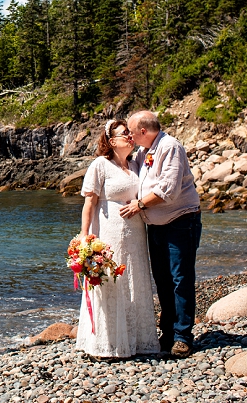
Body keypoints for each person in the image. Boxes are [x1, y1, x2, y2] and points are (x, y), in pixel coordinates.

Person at [75, 119, 160, 359]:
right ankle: (107, 343)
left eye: (130, 133)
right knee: (111, 281)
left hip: (135, 233)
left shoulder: (135, 165)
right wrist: (85, 234)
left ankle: (135, 340)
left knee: (135, 280)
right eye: (125, 134)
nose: (130, 137)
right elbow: (89, 203)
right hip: (108, 231)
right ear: (112, 142)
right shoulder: (100, 165)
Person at [120, 110, 202, 358]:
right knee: (163, 280)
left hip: (180, 221)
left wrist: (139, 205)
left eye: (131, 133)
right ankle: (167, 332)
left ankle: (182, 337)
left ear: (143, 131)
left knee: (180, 279)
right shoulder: (145, 151)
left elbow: (169, 190)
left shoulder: (170, 147)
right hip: (156, 225)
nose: (130, 137)